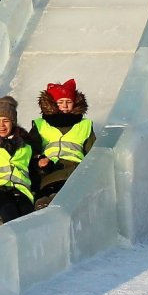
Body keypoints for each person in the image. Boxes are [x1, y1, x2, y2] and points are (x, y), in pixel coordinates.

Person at [27, 79, 96, 209]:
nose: (64, 106)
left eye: (68, 102)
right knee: (47, 187)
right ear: (53, 104)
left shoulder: (84, 125)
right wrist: (39, 160)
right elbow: (30, 149)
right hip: (49, 168)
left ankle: (54, 201)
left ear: (74, 103)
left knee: (64, 188)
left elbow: (93, 152)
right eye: (60, 102)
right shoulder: (41, 125)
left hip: (74, 168)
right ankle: (44, 201)